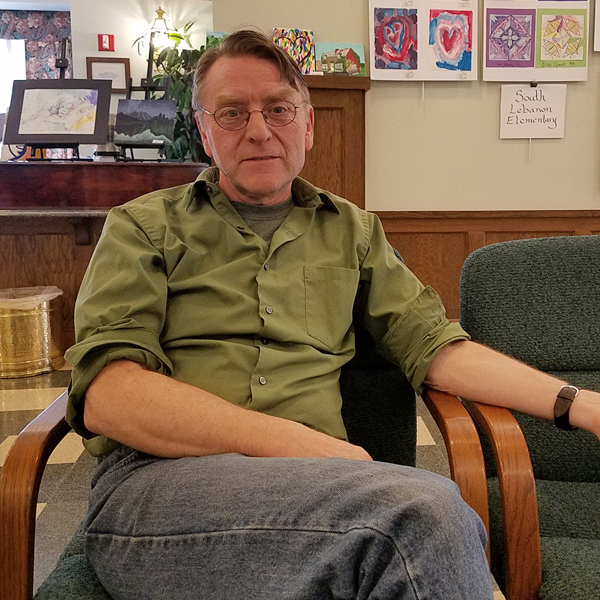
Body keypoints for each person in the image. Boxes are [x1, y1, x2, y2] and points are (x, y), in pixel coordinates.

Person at [65, 30, 600, 600]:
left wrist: (581, 404)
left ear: (308, 124)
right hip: (161, 489)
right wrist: (292, 442)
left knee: (413, 537)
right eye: (231, 113)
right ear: (203, 130)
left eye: (278, 109)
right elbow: (109, 394)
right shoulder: (143, 226)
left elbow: (437, 349)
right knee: (423, 518)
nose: (258, 130)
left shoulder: (353, 231)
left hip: (320, 495)